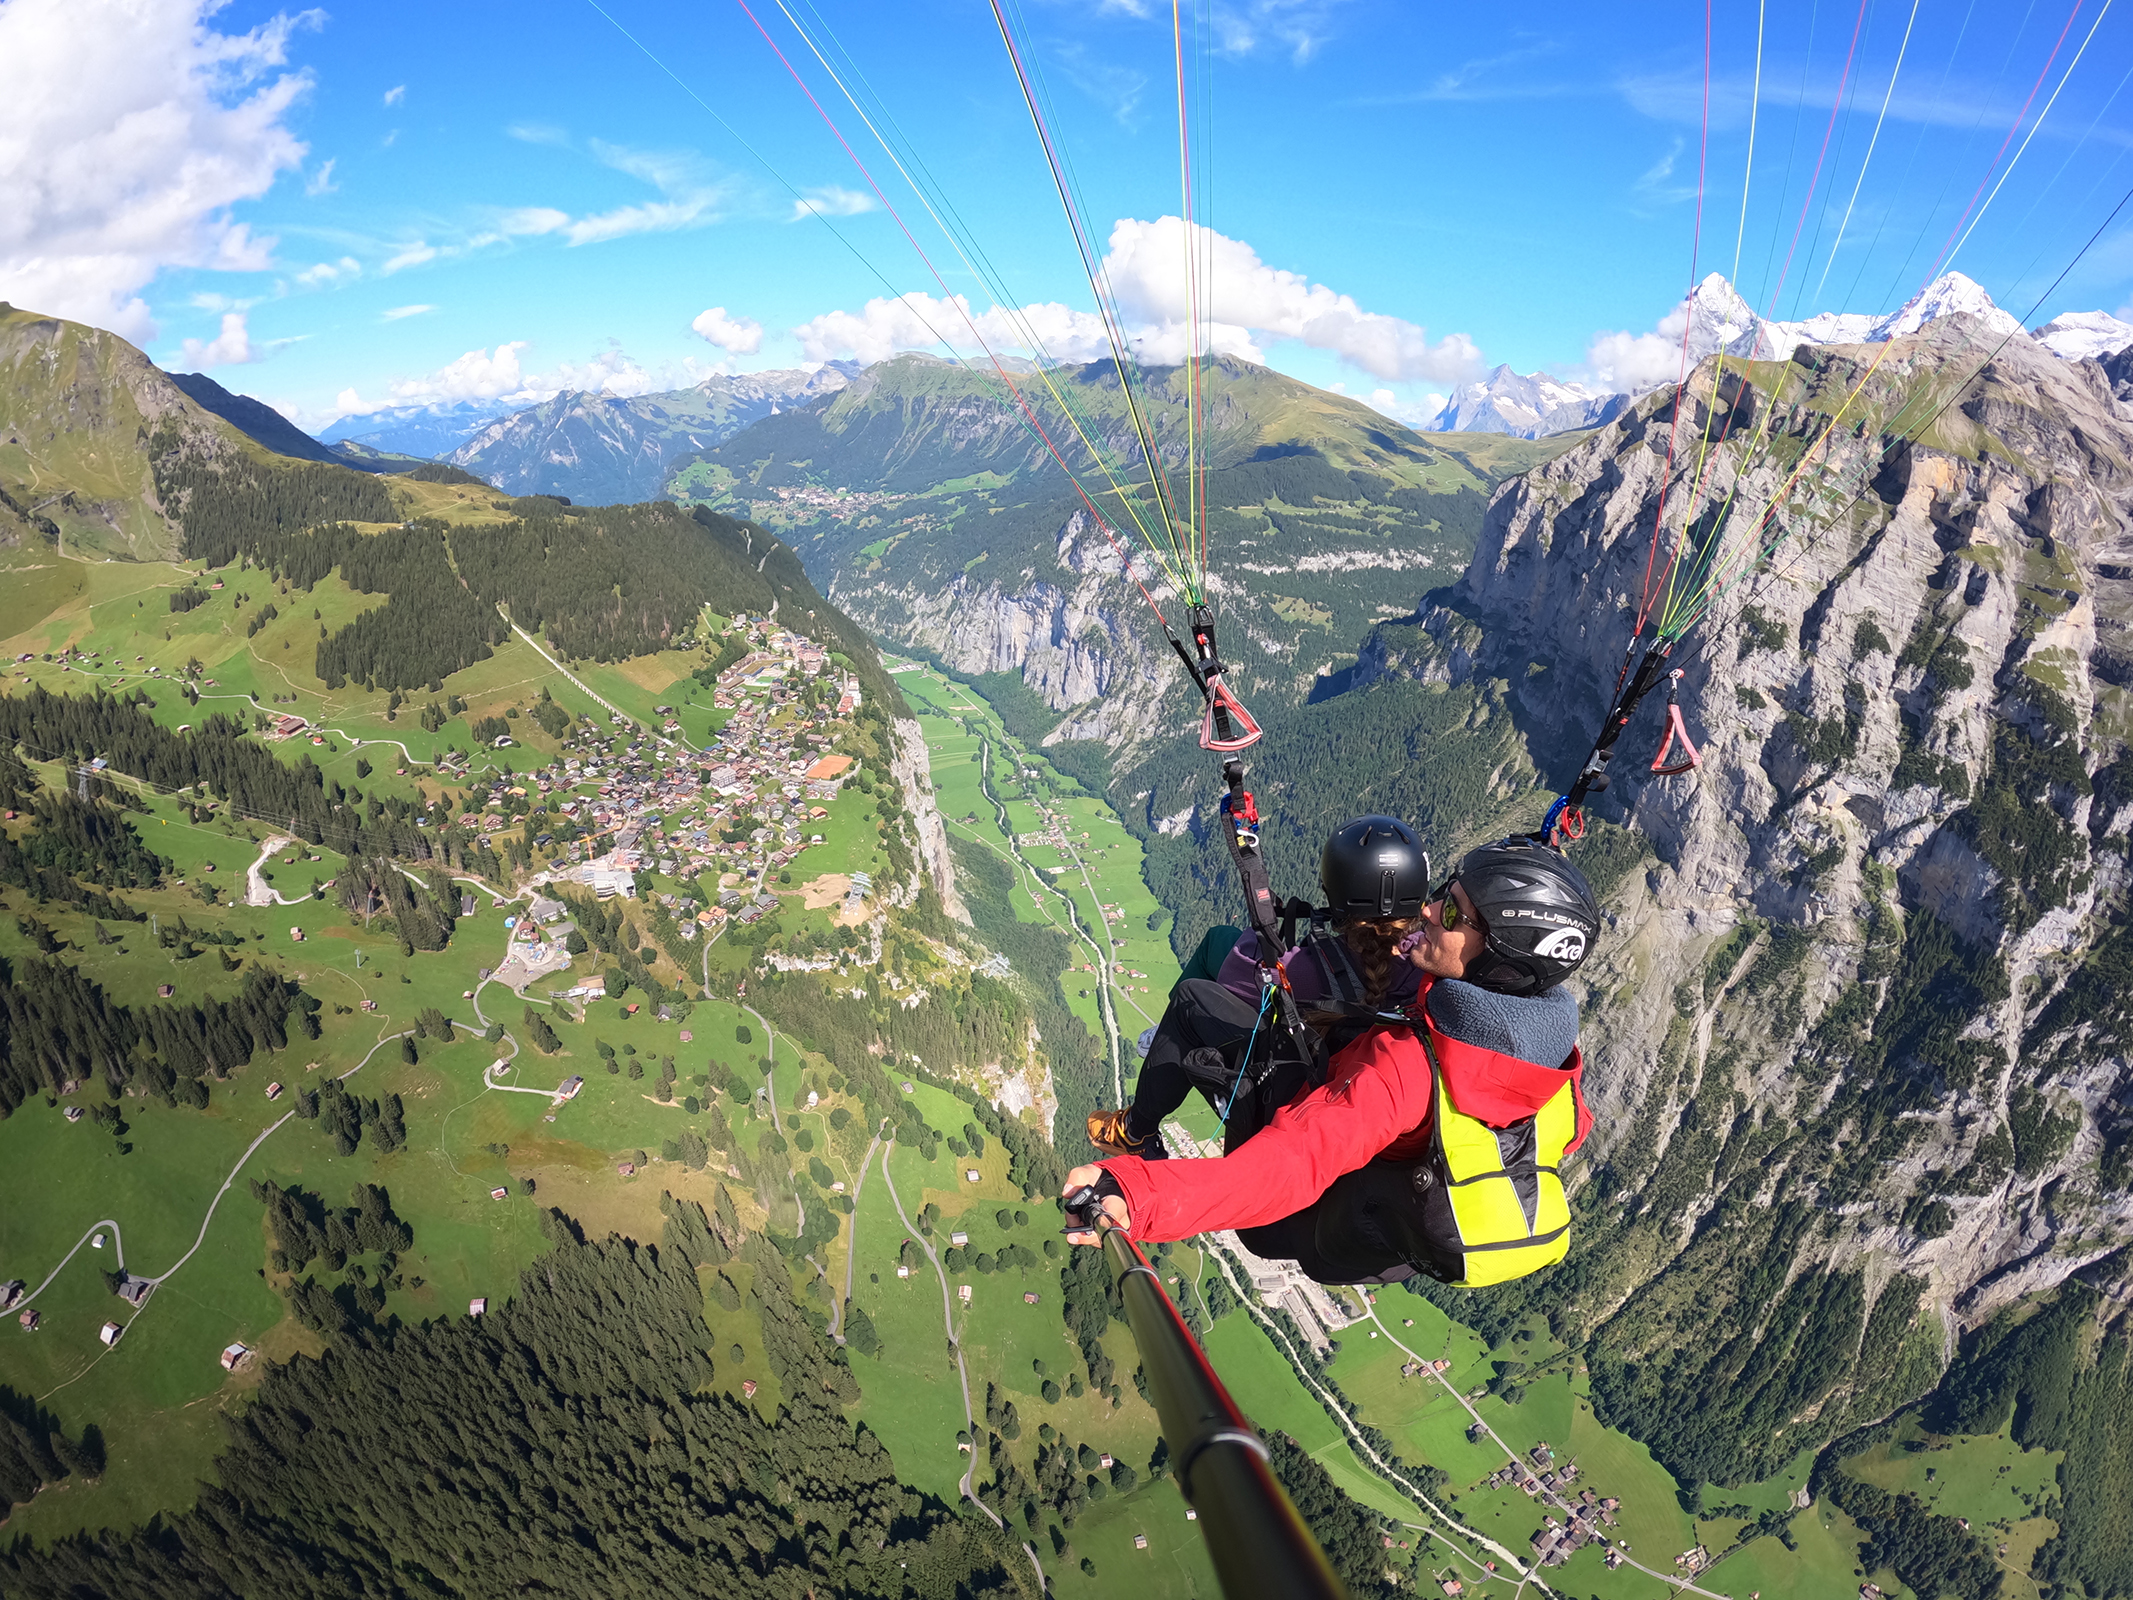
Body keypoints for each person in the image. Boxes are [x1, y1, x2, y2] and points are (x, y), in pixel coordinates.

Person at [1066, 826, 1602, 1286]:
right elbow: (1569, 1133)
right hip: (1381, 1239)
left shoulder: (1405, 1069)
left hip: (1293, 1222)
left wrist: (1134, 1195)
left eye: (1455, 913)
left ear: (1502, 962)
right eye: (1444, 893)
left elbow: (1289, 1165)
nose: (1432, 909)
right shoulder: (1554, 1072)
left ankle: (1136, 1130)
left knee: (1192, 1004)